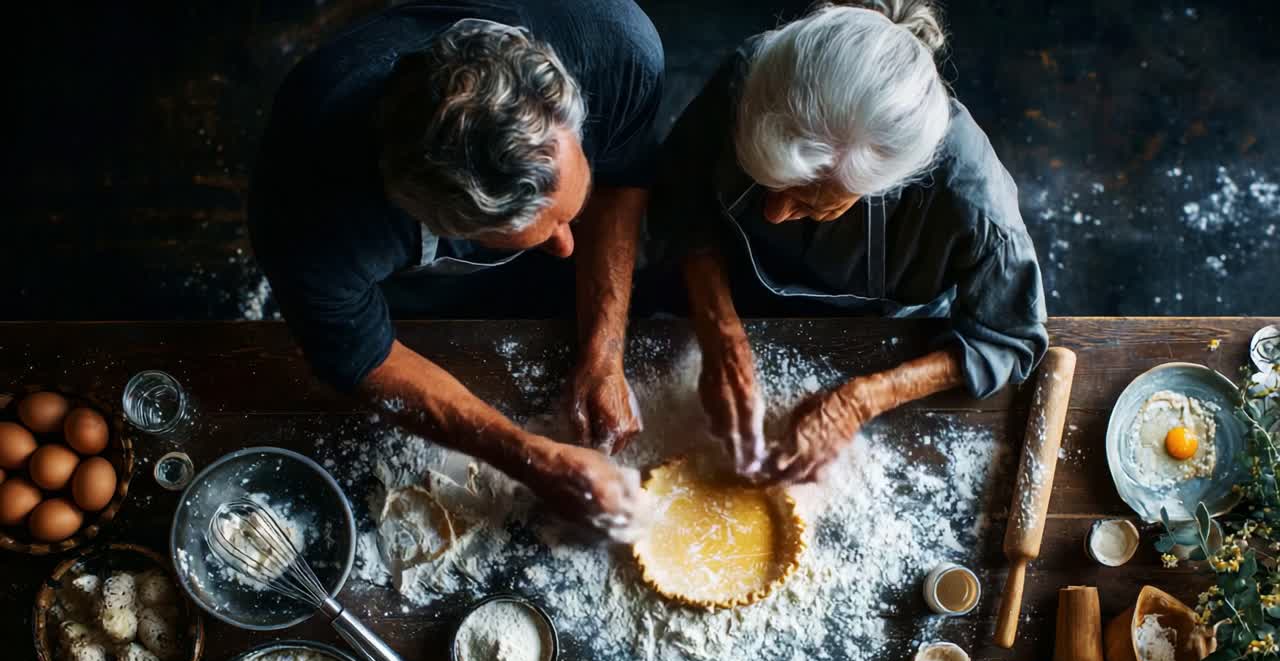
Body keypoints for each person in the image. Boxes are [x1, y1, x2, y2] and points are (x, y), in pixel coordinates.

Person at [249, 1, 663, 536]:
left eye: (567, 213)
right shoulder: (312, 219)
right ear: (442, 222)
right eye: (536, 233)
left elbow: (623, 176)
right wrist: (528, 457)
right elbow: (362, 354)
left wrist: (605, 353)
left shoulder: (615, 45)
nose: (568, 246)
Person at [647, 0, 1048, 483]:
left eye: (811, 202)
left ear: (886, 184)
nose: (774, 213)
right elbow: (679, 202)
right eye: (764, 183)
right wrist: (720, 330)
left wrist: (863, 399)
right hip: (721, 289)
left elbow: (1010, 338)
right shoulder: (753, 78)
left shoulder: (970, 199)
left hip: (877, 336)